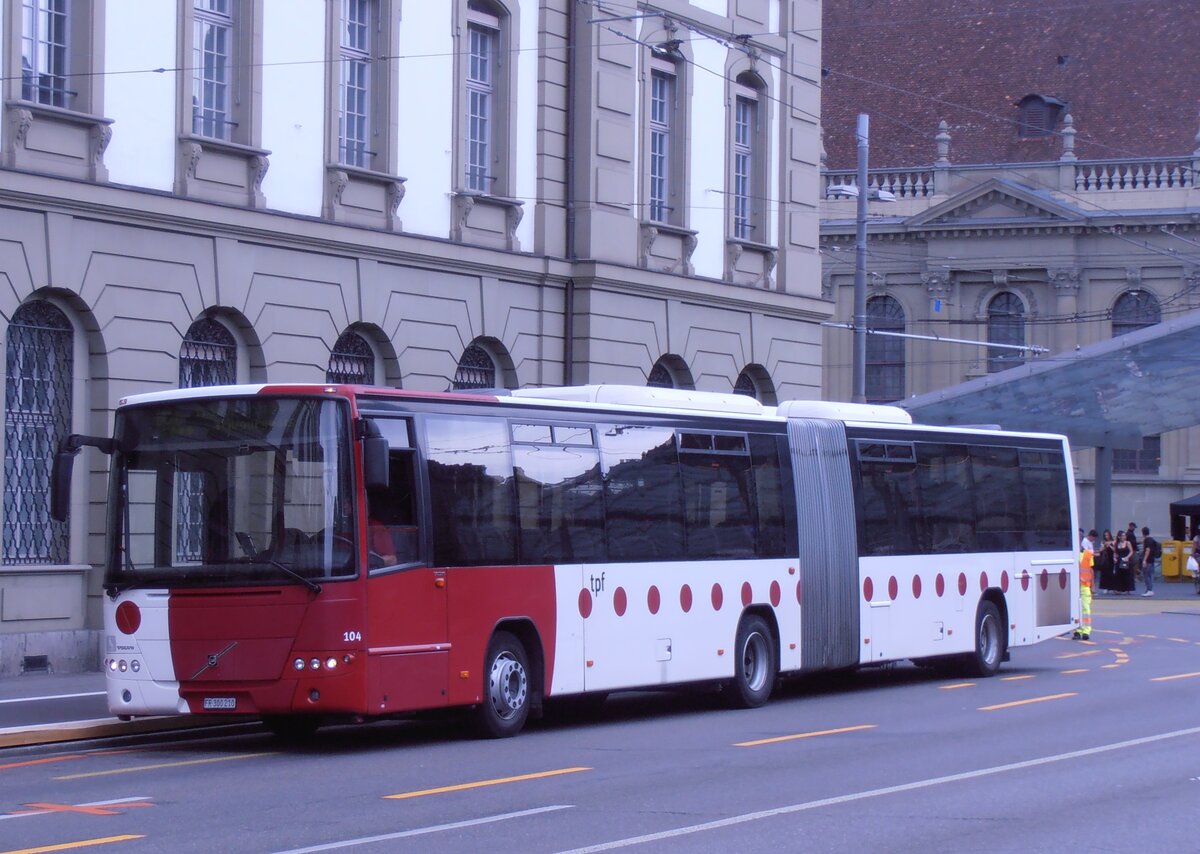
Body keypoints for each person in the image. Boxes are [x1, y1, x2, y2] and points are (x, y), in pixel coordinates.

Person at [1074, 542, 1095, 640]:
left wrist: (1092, 586)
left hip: (1084, 586)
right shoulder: (1072, 554)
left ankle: (1086, 630)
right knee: (1075, 609)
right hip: (1074, 586)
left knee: (1085, 609)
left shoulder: (1088, 554)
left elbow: (1091, 570)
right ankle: (1077, 630)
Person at [1139, 526, 1158, 597]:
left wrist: (1144, 560)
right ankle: (1150, 589)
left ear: (1143, 533)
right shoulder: (1152, 540)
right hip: (1152, 559)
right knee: (1150, 575)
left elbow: (1147, 550)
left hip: (1148, 560)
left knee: (1146, 575)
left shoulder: (1146, 540)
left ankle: (1149, 590)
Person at [1114, 530, 1135, 594]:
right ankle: (1119, 589)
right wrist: (1115, 558)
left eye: (1125, 535)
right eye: (1123, 536)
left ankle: (1128, 589)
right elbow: (1115, 552)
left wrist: (1127, 557)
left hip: (1126, 560)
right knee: (1119, 575)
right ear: (1119, 537)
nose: (1124, 537)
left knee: (1127, 575)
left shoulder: (1128, 543)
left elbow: (1131, 551)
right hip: (1119, 560)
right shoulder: (1116, 544)